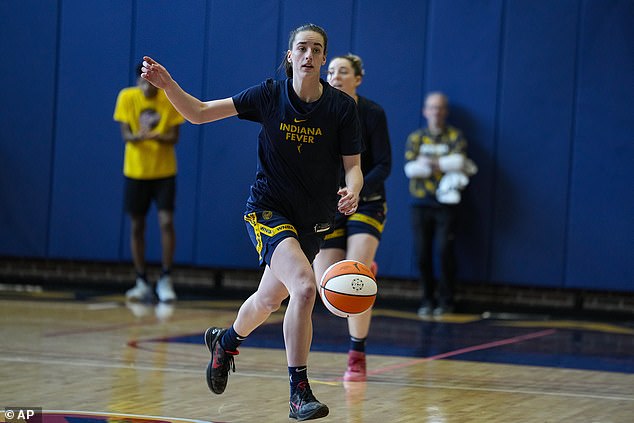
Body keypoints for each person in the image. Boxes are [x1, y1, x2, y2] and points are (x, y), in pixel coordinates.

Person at [140, 23, 363, 421]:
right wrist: (169, 85)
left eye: (316, 49)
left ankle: (224, 342)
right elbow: (200, 113)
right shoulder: (268, 94)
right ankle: (299, 392)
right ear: (290, 56)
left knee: (267, 300)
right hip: (267, 210)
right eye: (302, 48)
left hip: (313, 219)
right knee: (305, 287)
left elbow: (354, 168)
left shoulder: (342, 108)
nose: (309, 55)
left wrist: (353, 189)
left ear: (324, 57)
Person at [313, 54, 391, 382]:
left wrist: (354, 189)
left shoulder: (371, 113)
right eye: (330, 71)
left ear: (357, 78)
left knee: (356, 282)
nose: (335, 76)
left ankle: (357, 354)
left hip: (367, 202)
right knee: (328, 291)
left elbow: (383, 164)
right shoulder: (316, 110)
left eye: (343, 71)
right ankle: (364, 269)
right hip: (328, 207)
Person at [113, 63, 184, 303]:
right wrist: (138, 136)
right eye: (143, 82)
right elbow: (126, 135)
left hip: (164, 173)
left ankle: (165, 278)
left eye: (151, 84)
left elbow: (174, 136)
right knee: (136, 226)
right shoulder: (127, 97)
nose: (147, 87)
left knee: (166, 222)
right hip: (136, 171)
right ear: (138, 81)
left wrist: (157, 136)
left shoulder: (169, 98)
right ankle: (141, 280)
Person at [404, 92, 476, 317]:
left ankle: (446, 300)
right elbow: (411, 169)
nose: (436, 111)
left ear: (445, 111)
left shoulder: (455, 135)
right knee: (422, 254)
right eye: (432, 107)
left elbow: (460, 162)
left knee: (445, 251)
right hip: (420, 203)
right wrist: (444, 164)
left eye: (440, 108)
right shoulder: (416, 137)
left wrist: (430, 163)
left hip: (447, 203)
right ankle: (427, 299)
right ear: (425, 111)